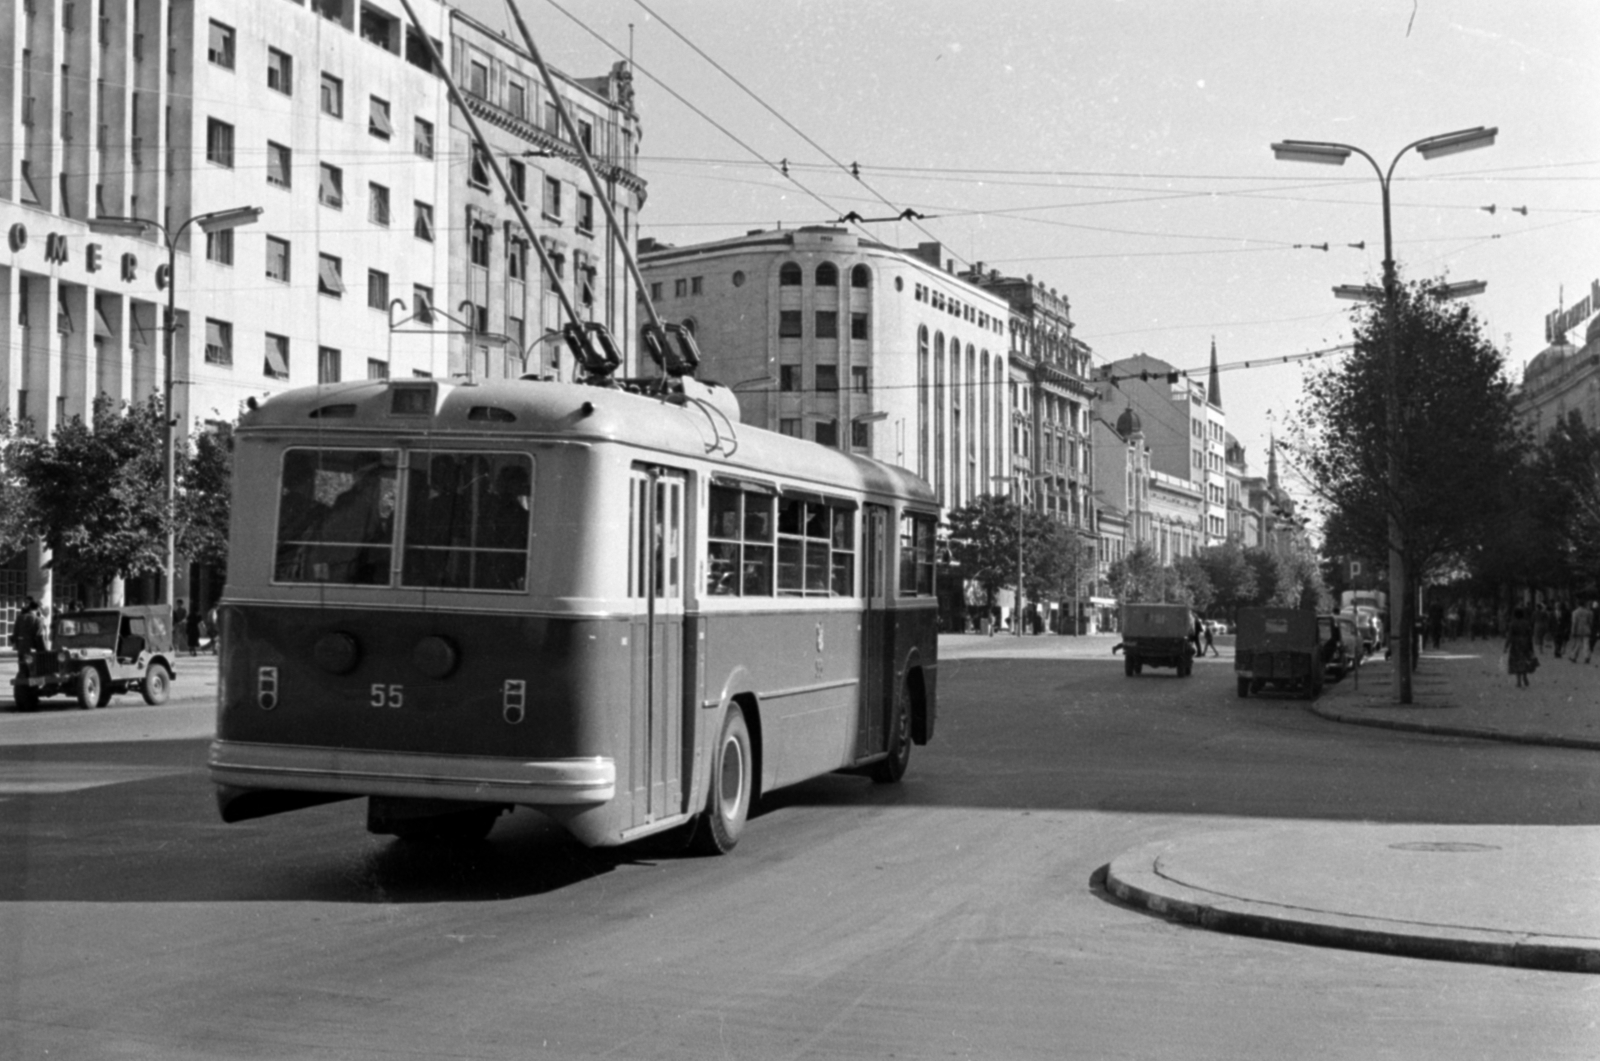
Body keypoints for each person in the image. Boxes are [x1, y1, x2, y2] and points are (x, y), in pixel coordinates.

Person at [1505, 606, 1536, 688]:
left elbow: (1510, 636)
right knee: (1524, 660)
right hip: (1525, 643)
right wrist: (1531, 646)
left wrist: (1506, 646)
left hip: (1516, 644)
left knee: (1516, 662)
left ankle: (1518, 681)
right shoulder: (1526, 623)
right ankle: (1525, 676)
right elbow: (1530, 635)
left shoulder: (1512, 623)